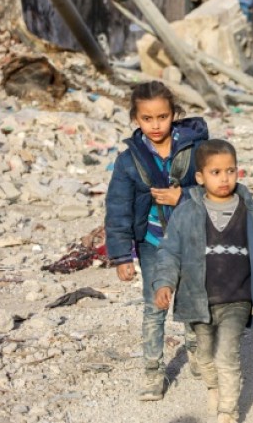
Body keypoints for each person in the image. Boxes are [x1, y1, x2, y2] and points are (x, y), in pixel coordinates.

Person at [153, 139, 253, 423]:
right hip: (197, 298)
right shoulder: (187, 213)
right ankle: (213, 386)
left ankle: (228, 411)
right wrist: (164, 284)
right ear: (200, 177)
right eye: (215, 173)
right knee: (204, 355)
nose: (224, 178)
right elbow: (170, 251)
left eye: (230, 171)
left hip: (237, 298)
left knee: (227, 353)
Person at [104, 82, 209, 401]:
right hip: (152, 243)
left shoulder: (196, 150)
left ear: (174, 114)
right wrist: (122, 256)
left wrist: (185, 195)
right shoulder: (128, 161)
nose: (155, 125)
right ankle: (153, 372)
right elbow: (118, 207)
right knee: (154, 306)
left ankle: (197, 354)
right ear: (135, 118)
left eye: (162, 117)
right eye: (147, 118)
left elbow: (223, 188)